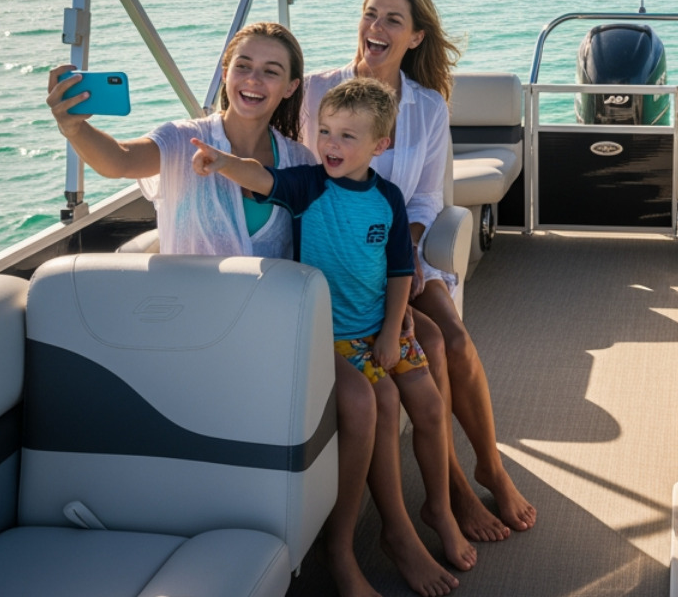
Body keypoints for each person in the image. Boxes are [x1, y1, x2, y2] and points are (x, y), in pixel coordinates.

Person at [193, 77, 474, 596]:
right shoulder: (309, 184)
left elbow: (399, 274)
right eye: (325, 132)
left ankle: (439, 507)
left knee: (432, 407)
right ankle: (364, 537)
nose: (330, 145)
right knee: (385, 400)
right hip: (331, 337)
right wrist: (223, 162)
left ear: (379, 146)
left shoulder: (387, 199)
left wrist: (392, 332)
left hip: (378, 330)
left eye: (347, 136)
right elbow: (262, 179)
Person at [303, 0, 537, 542]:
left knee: (452, 337)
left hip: (401, 252)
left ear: (415, 38)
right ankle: (451, 490)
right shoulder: (315, 92)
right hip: (335, 261)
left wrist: (398, 253)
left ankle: (490, 466)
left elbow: (429, 197)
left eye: (392, 20)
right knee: (430, 344)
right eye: (369, 14)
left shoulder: (428, 105)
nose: (375, 28)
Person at [44, 21, 316, 259]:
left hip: (265, 313)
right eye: (243, 66)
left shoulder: (299, 160)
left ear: (290, 87)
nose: (253, 79)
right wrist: (75, 128)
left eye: (271, 71)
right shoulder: (183, 139)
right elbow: (120, 160)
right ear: (225, 74)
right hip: (186, 312)